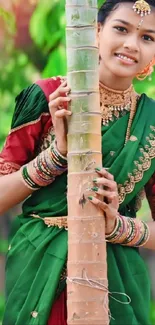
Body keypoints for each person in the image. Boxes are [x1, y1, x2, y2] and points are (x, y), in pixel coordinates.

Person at [0, 0, 155, 324]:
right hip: (39, 268)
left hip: (116, 281)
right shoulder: (49, 97)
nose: (131, 44)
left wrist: (119, 226)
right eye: (121, 29)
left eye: (147, 37)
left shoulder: (151, 122)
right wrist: (56, 155)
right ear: (96, 32)